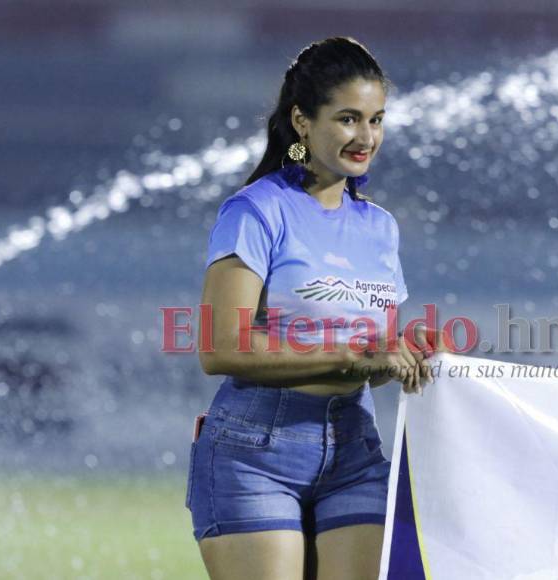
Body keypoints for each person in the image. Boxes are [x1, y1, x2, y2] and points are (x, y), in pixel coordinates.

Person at [186, 37, 439, 580]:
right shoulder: (256, 210)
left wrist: (402, 356)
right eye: (348, 118)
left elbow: (369, 365)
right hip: (255, 452)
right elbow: (220, 349)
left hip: (355, 450)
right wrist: (360, 357)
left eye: (377, 120)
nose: (366, 137)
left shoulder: (380, 227)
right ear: (302, 121)